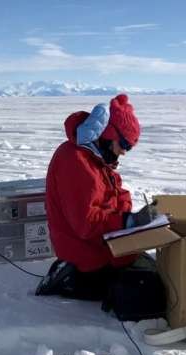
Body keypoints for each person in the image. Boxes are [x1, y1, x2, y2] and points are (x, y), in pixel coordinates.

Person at [36, 94, 155, 301]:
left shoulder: (96, 158)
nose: (124, 152)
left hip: (103, 246)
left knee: (151, 270)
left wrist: (129, 218)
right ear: (108, 135)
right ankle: (67, 279)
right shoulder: (75, 161)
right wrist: (127, 221)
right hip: (88, 259)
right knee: (148, 287)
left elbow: (118, 193)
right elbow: (86, 224)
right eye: (124, 145)